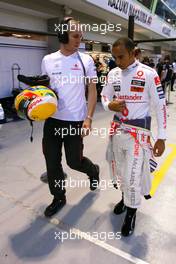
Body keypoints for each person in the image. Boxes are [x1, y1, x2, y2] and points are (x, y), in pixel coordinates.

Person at [101, 37, 166, 236]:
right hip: (117, 132)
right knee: (120, 171)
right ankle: (125, 198)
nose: (117, 61)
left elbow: (160, 105)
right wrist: (109, 105)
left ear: (133, 53)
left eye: (121, 57)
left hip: (138, 136)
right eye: (115, 57)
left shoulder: (148, 74)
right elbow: (104, 95)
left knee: (132, 176)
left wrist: (162, 137)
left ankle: (131, 212)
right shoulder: (113, 74)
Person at [41, 17, 100, 217]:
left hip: (75, 121)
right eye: (75, 36)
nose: (79, 40)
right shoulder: (48, 60)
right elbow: (47, 91)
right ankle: (58, 196)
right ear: (62, 34)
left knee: (74, 162)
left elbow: (92, 90)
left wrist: (89, 118)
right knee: (52, 162)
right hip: (52, 120)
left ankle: (93, 171)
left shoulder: (86, 60)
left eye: (81, 36)